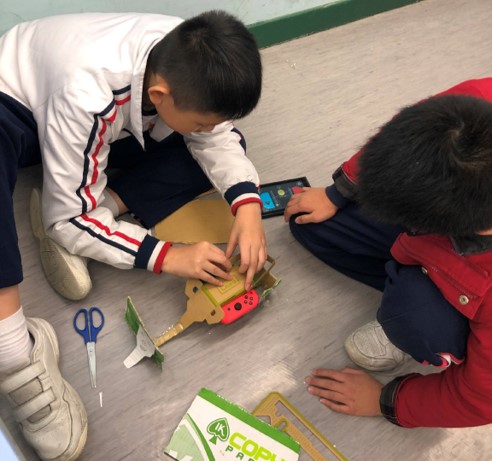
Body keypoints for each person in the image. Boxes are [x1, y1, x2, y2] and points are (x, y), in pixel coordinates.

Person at [0, 10, 265, 460]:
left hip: (98, 116)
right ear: (159, 96)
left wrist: (248, 204)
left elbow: (219, 137)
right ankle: (13, 352)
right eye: (203, 122)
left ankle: (101, 209)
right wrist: (167, 255)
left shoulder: (183, 53)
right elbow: (67, 217)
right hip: (19, 109)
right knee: (67, 216)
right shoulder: (87, 93)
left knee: (222, 149)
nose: (208, 129)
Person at [285, 78, 492, 428]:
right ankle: (412, 282)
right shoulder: (476, 104)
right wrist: (339, 191)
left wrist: (386, 400)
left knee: (417, 316)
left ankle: (428, 326)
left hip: (472, 283)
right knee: (310, 223)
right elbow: (405, 133)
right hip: (438, 242)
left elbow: (479, 400)